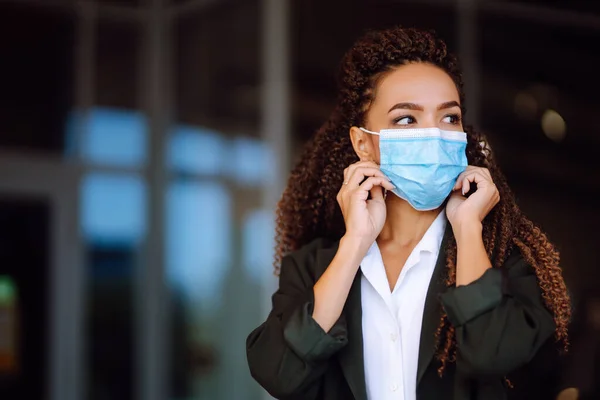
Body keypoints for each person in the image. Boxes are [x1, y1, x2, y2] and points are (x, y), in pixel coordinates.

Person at [246, 26, 571, 400]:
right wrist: (354, 245)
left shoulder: (505, 263)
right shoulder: (312, 267)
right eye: (406, 119)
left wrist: (467, 229)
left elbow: (493, 354)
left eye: (449, 118)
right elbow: (279, 374)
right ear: (363, 144)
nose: (434, 133)